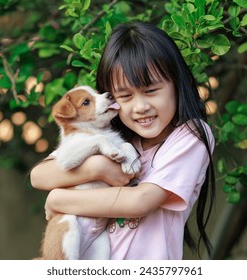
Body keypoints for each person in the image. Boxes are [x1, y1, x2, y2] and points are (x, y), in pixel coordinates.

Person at [30, 22, 216, 260]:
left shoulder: (190, 135)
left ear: (177, 84)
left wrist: (60, 198)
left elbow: (141, 200)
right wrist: (100, 167)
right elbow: (40, 175)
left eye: (150, 91)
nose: (140, 107)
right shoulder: (111, 134)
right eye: (125, 96)